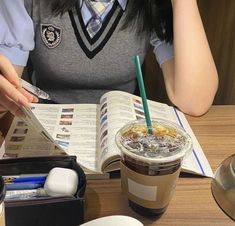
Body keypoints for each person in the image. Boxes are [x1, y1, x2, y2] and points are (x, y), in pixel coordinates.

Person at [0, 0, 218, 118]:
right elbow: (7, 86)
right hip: (48, 130)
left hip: (124, 135)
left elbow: (194, 101)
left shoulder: (153, 5)